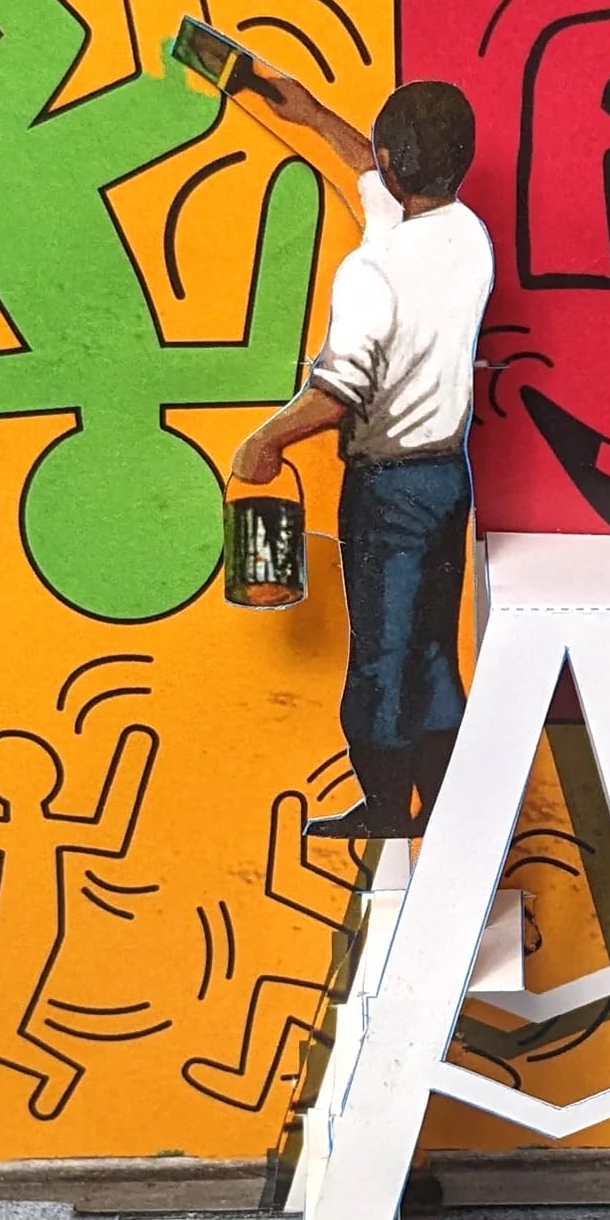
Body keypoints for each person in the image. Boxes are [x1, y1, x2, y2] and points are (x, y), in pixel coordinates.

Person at [232, 72, 493, 839]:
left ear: (391, 155)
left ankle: (384, 810)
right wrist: (312, 116)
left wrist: (264, 439)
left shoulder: (372, 271)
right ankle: (444, 812)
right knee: (435, 655)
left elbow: (336, 394)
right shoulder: (466, 237)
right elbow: (378, 182)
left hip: (387, 490)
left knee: (380, 658)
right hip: (448, 478)